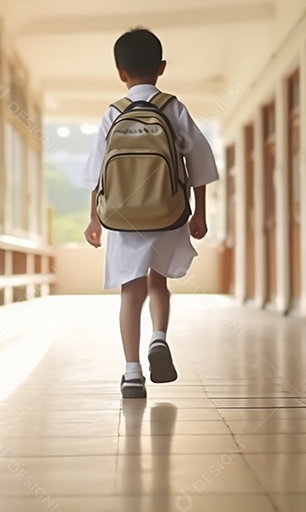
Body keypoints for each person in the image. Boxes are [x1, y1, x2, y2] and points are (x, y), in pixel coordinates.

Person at [81, 28, 220, 399]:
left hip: (122, 219)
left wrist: (94, 219)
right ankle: (158, 338)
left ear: (120, 72)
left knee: (131, 292)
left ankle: (131, 374)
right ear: (161, 68)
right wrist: (200, 213)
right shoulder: (172, 108)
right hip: (167, 212)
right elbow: (200, 161)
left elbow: (96, 171)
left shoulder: (113, 113)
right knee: (159, 283)